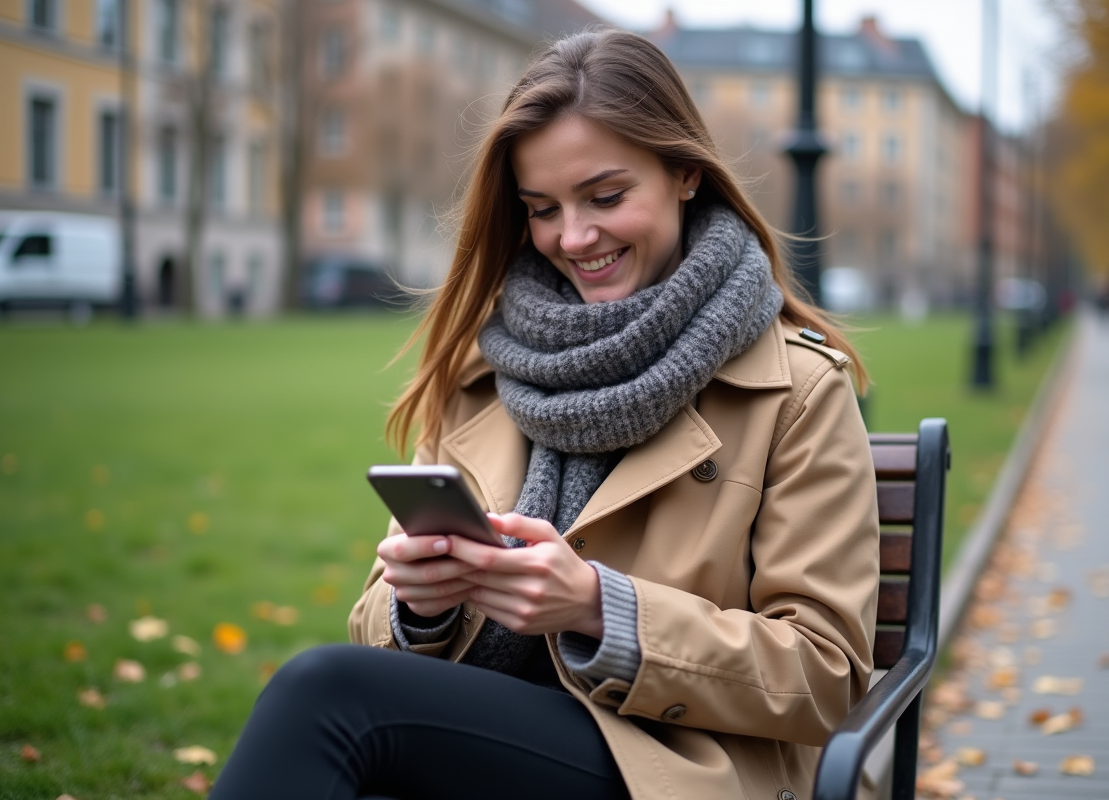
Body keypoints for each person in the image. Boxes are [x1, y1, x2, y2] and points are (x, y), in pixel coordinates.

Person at [210, 29, 879, 800]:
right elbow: (374, 627)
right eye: (541, 209)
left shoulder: (796, 388)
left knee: (329, 697)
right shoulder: (483, 373)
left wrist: (603, 610)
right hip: (492, 749)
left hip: (677, 766)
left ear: (686, 172)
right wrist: (417, 607)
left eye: (605, 196)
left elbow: (828, 676)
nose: (574, 237)